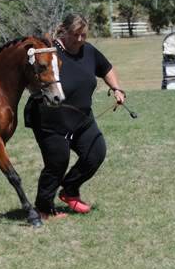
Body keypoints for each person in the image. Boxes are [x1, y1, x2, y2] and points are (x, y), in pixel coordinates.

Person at [24, 13, 126, 220]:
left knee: (96, 153)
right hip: (50, 119)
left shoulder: (88, 51)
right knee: (57, 162)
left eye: (83, 35)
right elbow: (30, 71)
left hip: (82, 117)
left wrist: (116, 88)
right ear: (64, 31)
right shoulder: (50, 50)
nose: (80, 39)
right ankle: (43, 209)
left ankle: (69, 190)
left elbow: (107, 68)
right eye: (75, 34)